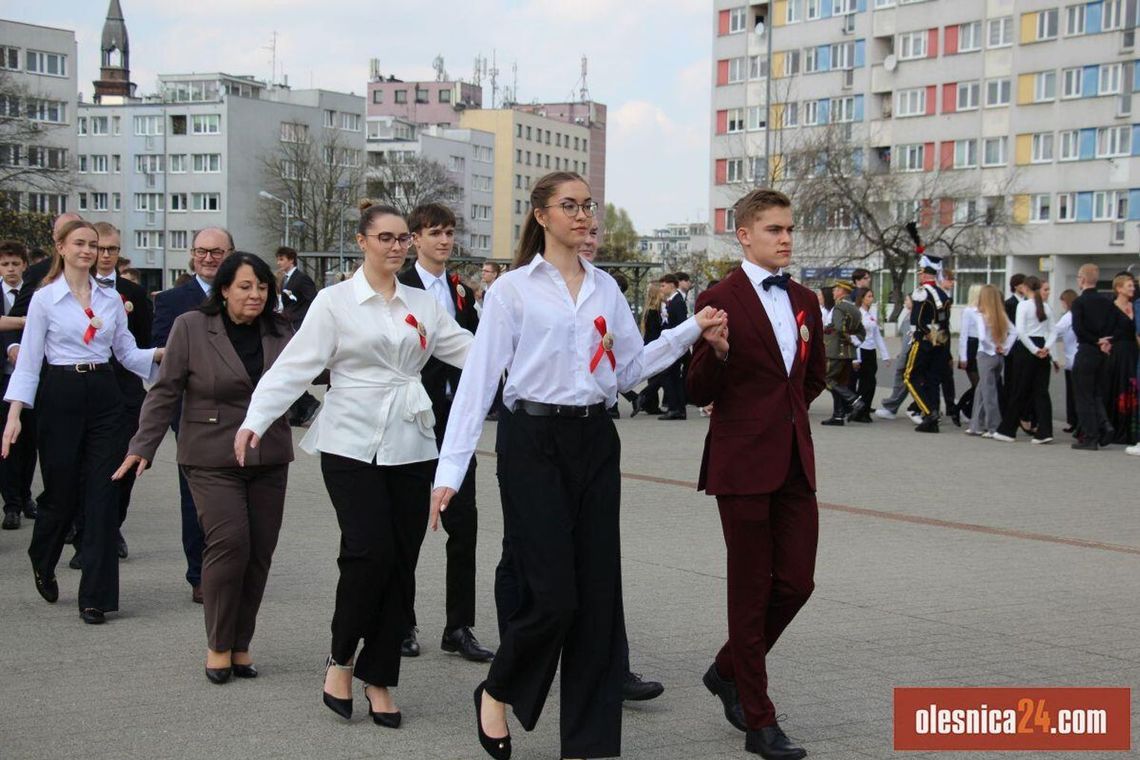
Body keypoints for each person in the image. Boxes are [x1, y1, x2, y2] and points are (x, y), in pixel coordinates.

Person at [429, 172, 726, 759]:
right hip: (531, 442)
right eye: (570, 206)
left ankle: (590, 747)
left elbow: (627, 371)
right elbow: (479, 384)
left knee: (595, 600)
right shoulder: (512, 291)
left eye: (588, 205)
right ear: (541, 215)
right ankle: (499, 689)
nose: (584, 215)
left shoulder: (605, 289)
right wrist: (448, 473)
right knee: (554, 595)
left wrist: (692, 329)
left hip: (595, 439)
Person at [236, 200, 473, 728]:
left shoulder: (424, 304)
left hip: (411, 443)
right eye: (384, 237)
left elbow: (472, 352)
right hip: (349, 442)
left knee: (401, 562)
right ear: (362, 241)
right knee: (369, 552)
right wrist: (256, 419)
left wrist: (535, 356)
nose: (395, 246)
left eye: (401, 239)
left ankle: (381, 677)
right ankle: (341, 658)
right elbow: (295, 366)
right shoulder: (334, 301)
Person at [686, 188, 825, 760]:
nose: (786, 238)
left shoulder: (806, 299)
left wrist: (783, 418)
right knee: (749, 591)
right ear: (743, 235)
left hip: (794, 457)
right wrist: (714, 354)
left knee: (796, 582)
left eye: (789, 228)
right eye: (773, 229)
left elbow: (811, 377)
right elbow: (695, 389)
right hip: (741, 463)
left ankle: (726, 669)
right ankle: (759, 721)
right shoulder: (718, 296)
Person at [115, 253, 293, 683]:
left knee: (259, 553)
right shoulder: (191, 327)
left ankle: (241, 644)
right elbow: (165, 389)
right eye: (246, 286)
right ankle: (217, 644)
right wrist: (143, 445)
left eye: (263, 287)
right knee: (230, 544)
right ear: (225, 289)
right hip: (210, 454)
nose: (255, 295)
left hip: (267, 454)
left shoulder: (281, 330)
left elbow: (312, 371)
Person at [2, 219, 162, 625]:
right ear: (60, 246)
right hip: (60, 393)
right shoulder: (44, 300)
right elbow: (31, 359)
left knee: (103, 495)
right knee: (60, 493)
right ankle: (43, 555)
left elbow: (127, 353)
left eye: (94, 245)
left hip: (105, 394)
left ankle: (96, 597)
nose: (89, 251)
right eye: (80, 243)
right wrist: (15, 414)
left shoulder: (109, 300)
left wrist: (166, 353)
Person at [396, 202, 493, 663]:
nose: (443, 240)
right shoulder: (400, 286)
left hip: (456, 421)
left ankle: (459, 626)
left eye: (449, 232)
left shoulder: (458, 288)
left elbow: (476, 345)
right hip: (412, 419)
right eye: (434, 232)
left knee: (465, 526)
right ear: (415, 237)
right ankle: (401, 621)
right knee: (408, 528)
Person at [153, 228, 234, 604]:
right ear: (191, 254)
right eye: (202, 251)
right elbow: (162, 359)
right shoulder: (172, 301)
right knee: (195, 497)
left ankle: (232, 567)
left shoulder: (246, 294)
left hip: (237, 412)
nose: (209, 258)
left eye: (217, 252)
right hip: (193, 413)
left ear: (230, 253)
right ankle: (199, 574)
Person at [71, 222, 152, 562]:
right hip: (84, 389)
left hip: (125, 391)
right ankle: (85, 536)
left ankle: (111, 527)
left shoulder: (133, 295)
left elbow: (144, 344)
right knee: (83, 468)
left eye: (112, 250)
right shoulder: (69, 291)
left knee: (125, 466)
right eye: (99, 248)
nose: (104, 256)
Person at [993, 276, 1056, 444]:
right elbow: (1053, 331)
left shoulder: (1023, 306)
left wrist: (1035, 350)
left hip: (1026, 350)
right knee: (1041, 391)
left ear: (1026, 288)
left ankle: (1007, 431)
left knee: (1019, 390)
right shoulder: (1047, 308)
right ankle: (1045, 431)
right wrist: (1045, 348)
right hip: (1042, 347)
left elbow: (1020, 331)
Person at [0, 240, 34, 530]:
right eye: (5, 264)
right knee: (7, 441)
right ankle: (11, 503)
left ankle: (26, 496)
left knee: (30, 441)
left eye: (15, 264)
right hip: (4, 377)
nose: (11, 270)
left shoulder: (34, 292)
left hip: (32, 378)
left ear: (25, 265)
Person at [1070, 264, 1117, 450]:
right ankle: (1105, 425)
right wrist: (1106, 341)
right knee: (1096, 393)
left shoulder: (1079, 302)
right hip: (1102, 354)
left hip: (1087, 350)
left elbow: (1078, 329)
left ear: (1082, 279)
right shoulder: (1107, 301)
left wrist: (1096, 340)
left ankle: (1090, 436)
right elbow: (1115, 324)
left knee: (1083, 396)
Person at [903, 266, 952, 433]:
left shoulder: (921, 292)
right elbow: (945, 321)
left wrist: (926, 334)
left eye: (920, 274)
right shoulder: (943, 294)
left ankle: (929, 412)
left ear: (924, 275)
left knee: (909, 376)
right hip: (941, 342)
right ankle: (933, 418)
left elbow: (917, 320)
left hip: (924, 341)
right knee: (932, 379)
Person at [276, 246, 321, 427]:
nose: (278, 263)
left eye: (281, 259)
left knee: (289, 366)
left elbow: (314, 300)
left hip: (298, 326)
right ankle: (301, 406)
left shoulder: (301, 279)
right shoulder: (286, 280)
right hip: (289, 324)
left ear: (291, 260)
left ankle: (306, 403)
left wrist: (303, 318)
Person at [966, 285, 1016, 438]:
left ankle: (994, 427)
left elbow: (982, 337)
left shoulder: (982, 315)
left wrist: (993, 347)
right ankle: (976, 424)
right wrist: (1004, 347)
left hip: (986, 355)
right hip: (999, 357)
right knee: (982, 389)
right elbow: (1014, 331)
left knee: (988, 393)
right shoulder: (1001, 314)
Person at [820, 280, 866, 426]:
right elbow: (861, 331)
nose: (833, 292)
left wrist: (829, 331)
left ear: (841, 291)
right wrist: (852, 340)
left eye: (835, 290)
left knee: (827, 380)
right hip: (848, 352)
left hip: (835, 351)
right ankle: (838, 415)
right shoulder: (854, 309)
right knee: (839, 383)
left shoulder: (839, 307)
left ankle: (854, 400)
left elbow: (839, 328)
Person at [1105, 273, 1138, 445]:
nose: (1133, 288)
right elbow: (1107, 330)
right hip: (1118, 353)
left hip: (1134, 351)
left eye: (1133, 286)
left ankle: (1132, 430)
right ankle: (1117, 428)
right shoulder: (1111, 307)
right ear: (1119, 289)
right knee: (1118, 387)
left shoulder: (1136, 306)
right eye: (1129, 286)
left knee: (1133, 387)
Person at [875, 295, 915, 420]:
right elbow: (904, 339)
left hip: (909, 355)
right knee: (904, 382)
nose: (905, 302)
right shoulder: (908, 316)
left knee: (905, 382)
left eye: (907, 299)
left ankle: (892, 407)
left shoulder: (914, 318)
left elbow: (909, 340)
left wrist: (903, 354)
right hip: (904, 353)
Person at [852, 287, 889, 420]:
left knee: (871, 383)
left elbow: (877, 336)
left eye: (872, 296)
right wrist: (856, 358)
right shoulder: (858, 314)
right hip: (861, 350)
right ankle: (860, 412)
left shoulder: (871, 314)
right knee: (865, 384)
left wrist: (885, 355)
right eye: (868, 296)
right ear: (862, 298)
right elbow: (854, 336)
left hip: (871, 351)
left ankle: (865, 410)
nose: (871, 299)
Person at [658, 273, 690, 420]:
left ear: (671, 285)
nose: (661, 288)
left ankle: (675, 408)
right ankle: (678, 408)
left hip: (675, 346)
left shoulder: (677, 301)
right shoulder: (673, 300)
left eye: (663, 285)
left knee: (670, 376)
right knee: (673, 377)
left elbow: (679, 324)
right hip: (674, 345)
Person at [636, 282, 666, 416]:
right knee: (661, 376)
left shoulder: (648, 311)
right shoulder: (655, 312)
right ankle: (645, 395)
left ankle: (651, 404)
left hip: (649, 344)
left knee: (654, 376)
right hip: (655, 345)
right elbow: (655, 332)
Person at [956, 284, 983, 422]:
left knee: (981, 384)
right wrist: (963, 355)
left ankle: (963, 409)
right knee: (977, 384)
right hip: (971, 346)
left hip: (982, 346)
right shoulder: (968, 311)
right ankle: (963, 409)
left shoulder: (983, 311)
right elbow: (963, 334)